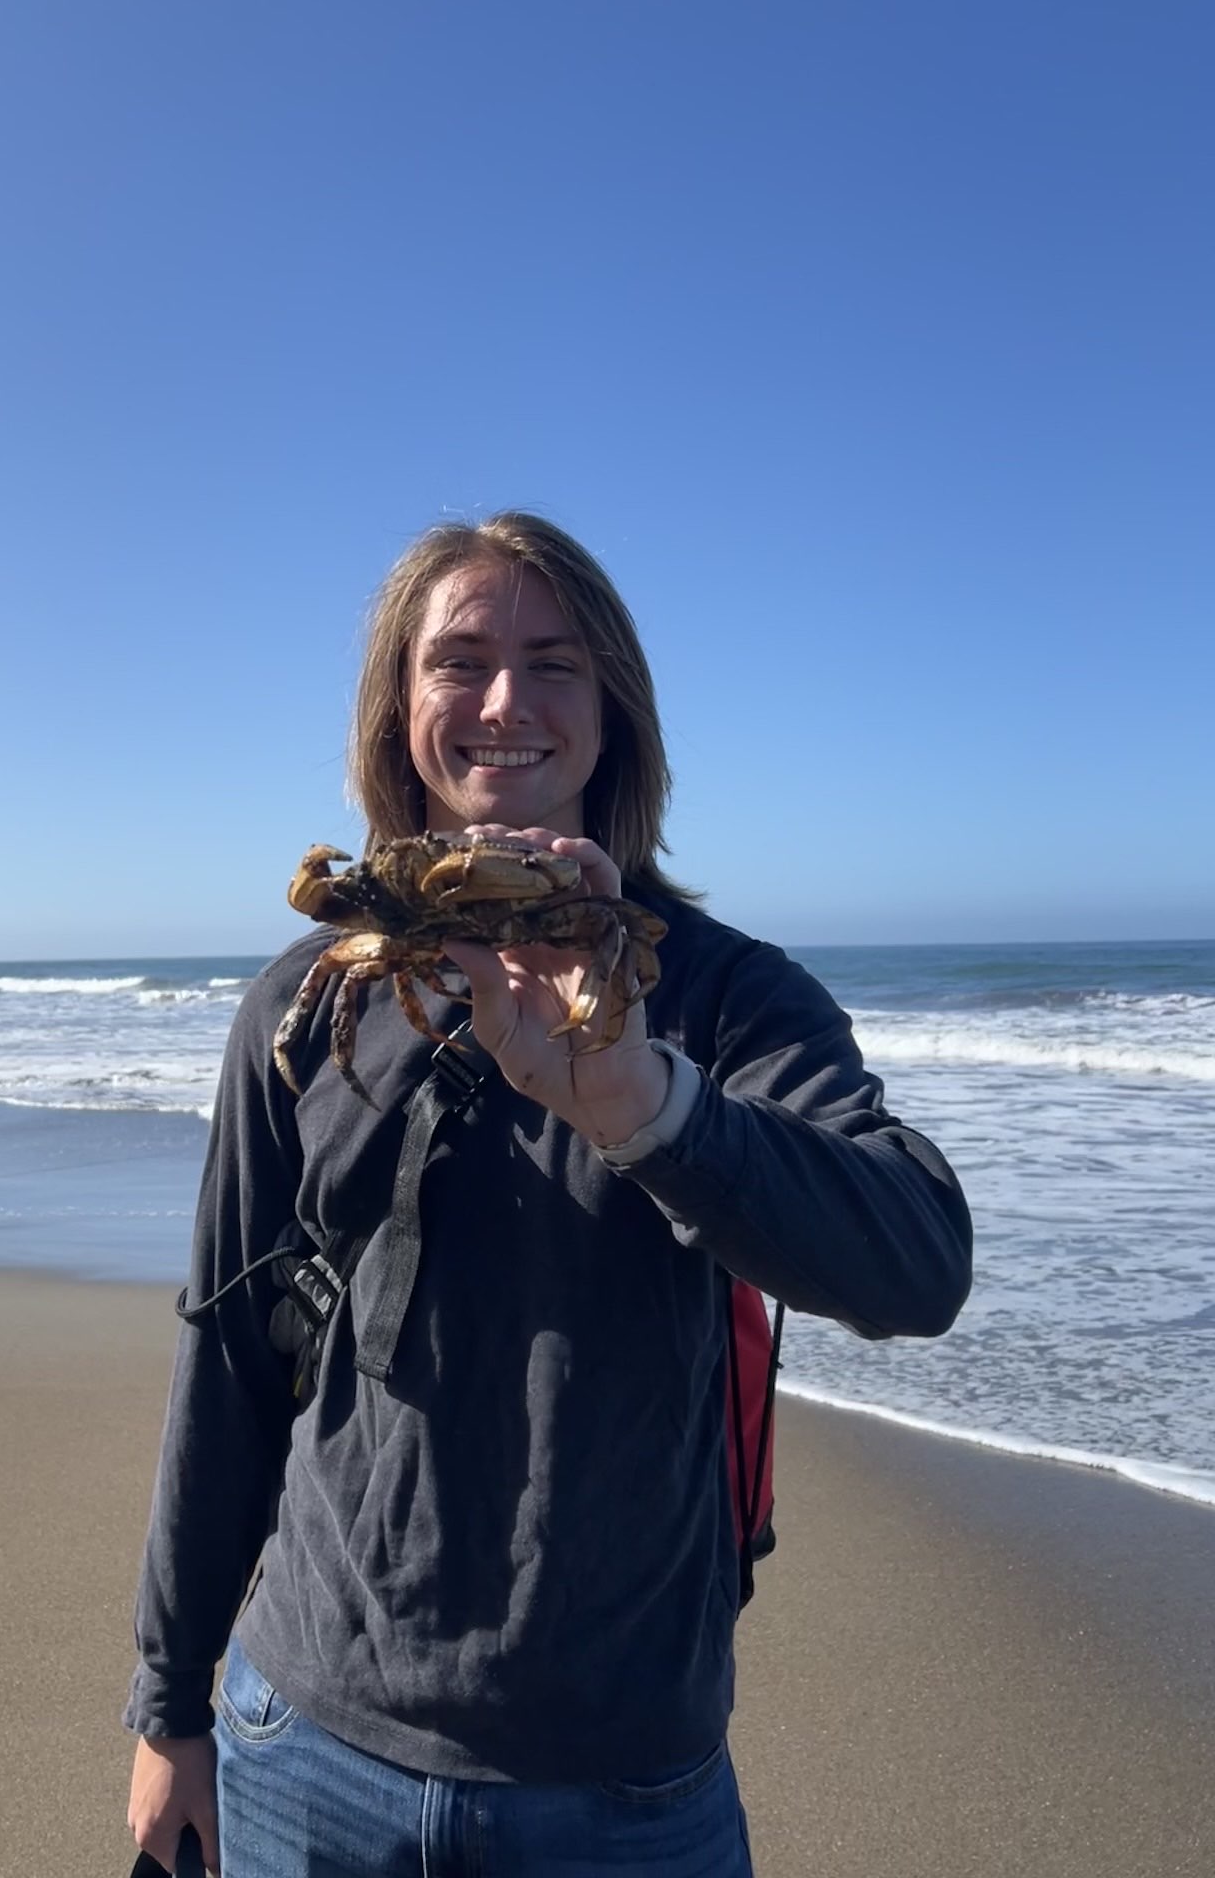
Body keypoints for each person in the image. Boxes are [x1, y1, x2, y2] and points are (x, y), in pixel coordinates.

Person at [126, 511, 971, 1877]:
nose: (505, 701)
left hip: (623, 1784)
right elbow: (228, 1354)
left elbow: (919, 1260)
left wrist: (647, 1105)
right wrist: (171, 1705)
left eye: (555, 663)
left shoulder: (717, 995)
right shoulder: (307, 1000)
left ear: (613, 712)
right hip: (307, 1746)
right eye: (459, 662)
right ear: (398, 713)